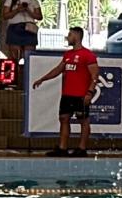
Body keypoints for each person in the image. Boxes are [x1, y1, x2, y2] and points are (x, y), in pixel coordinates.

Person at [32, 26, 99, 157]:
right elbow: (58, 70)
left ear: (77, 36)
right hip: (67, 94)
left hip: (81, 94)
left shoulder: (88, 55)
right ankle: (63, 147)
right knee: (64, 118)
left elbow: (95, 75)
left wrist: (90, 92)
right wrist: (42, 79)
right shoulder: (68, 55)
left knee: (83, 120)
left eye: (70, 35)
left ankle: (82, 148)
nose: (68, 37)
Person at [3, 0, 43, 76]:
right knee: (14, 56)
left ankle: (28, 76)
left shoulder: (33, 1)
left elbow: (39, 17)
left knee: (29, 56)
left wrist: (28, 10)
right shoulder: (10, 0)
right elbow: (5, 16)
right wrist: (17, 9)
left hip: (29, 28)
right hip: (15, 28)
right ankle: (12, 77)